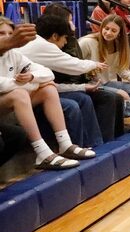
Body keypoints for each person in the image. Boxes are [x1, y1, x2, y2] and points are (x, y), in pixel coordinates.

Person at [0, 16, 95, 169]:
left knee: (49, 88)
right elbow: (3, 85)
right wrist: (27, 84)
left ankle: (65, 144)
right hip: (10, 102)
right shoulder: (43, 45)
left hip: (14, 102)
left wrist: (32, 77)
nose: (7, 37)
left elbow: (48, 74)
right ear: (55, 36)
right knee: (21, 93)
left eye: (9, 34)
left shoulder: (14, 54)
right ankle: (42, 153)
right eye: (1, 33)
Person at [22, 4, 124, 142]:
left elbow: (58, 79)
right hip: (34, 94)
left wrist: (85, 84)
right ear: (56, 32)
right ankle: (88, 145)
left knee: (112, 96)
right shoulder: (47, 45)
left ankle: (105, 143)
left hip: (62, 87)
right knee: (78, 102)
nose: (73, 24)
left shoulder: (67, 41)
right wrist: (94, 66)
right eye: (70, 21)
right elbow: (73, 67)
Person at [78, 14, 130, 117]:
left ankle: (125, 121)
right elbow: (74, 62)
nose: (108, 33)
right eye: (106, 28)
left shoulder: (118, 45)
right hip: (91, 84)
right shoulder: (87, 42)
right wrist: (90, 68)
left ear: (119, 33)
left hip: (106, 83)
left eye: (113, 31)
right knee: (123, 95)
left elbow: (120, 69)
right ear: (102, 28)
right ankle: (126, 121)